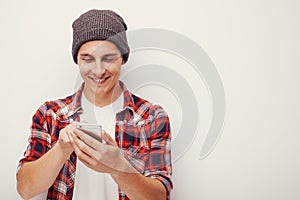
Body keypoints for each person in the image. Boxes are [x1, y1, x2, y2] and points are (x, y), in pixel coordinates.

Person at [16, 9, 172, 200]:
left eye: (108, 58)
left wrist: (118, 167)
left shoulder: (152, 117)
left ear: (122, 58)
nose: (98, 70)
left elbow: (159, 197)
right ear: (77, 60)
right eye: (87, 58)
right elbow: (25, 189)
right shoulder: (50, 114)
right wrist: (62, 148)